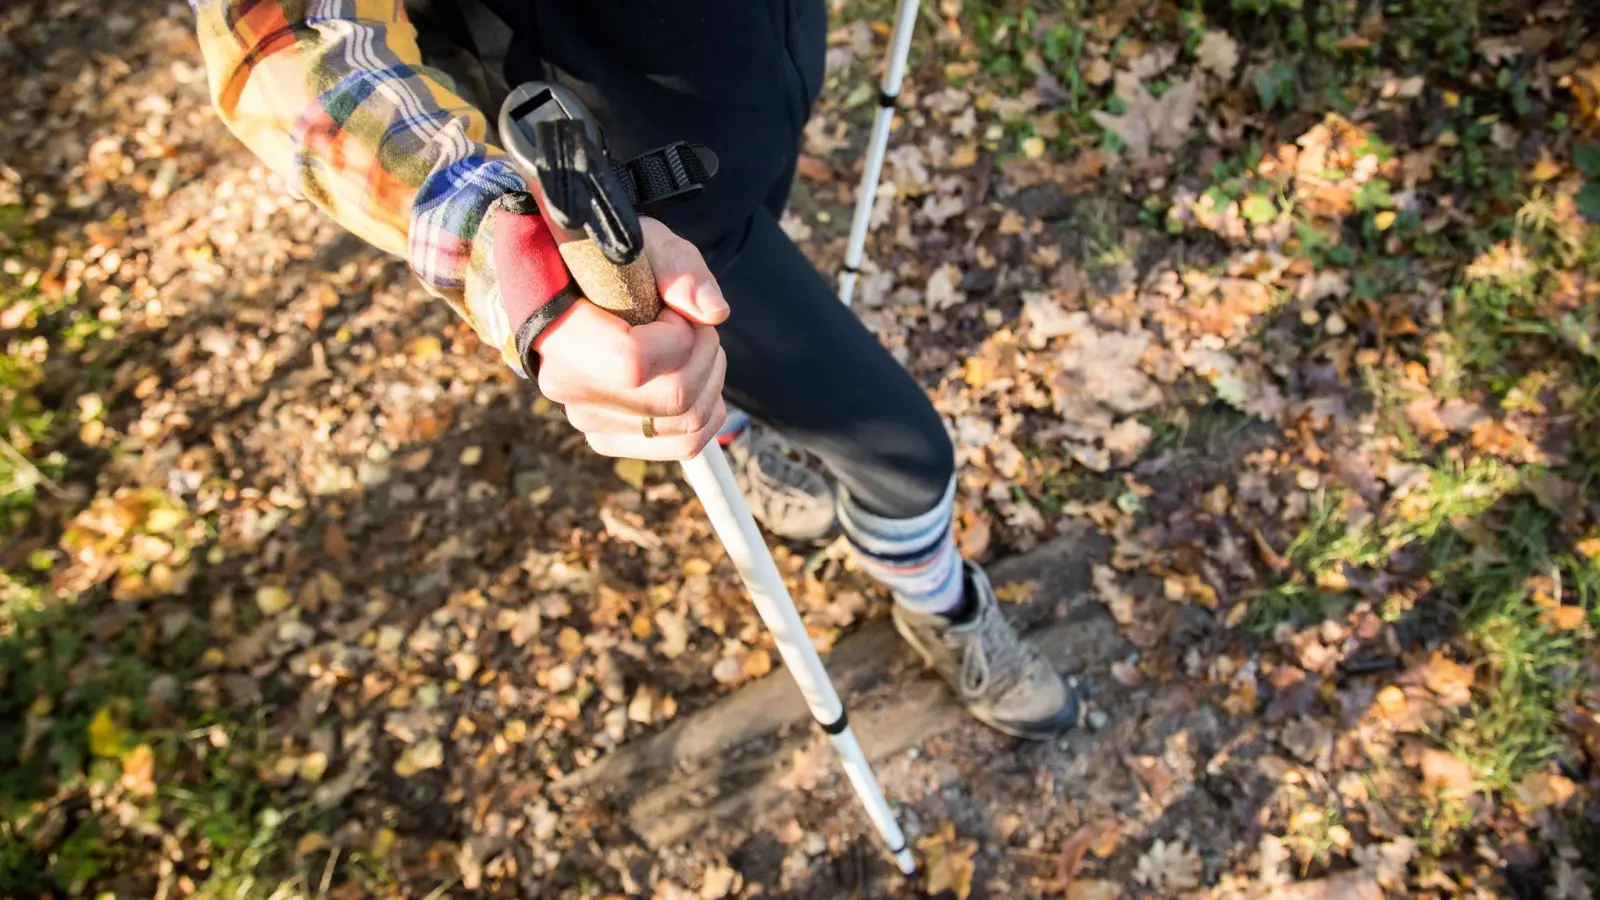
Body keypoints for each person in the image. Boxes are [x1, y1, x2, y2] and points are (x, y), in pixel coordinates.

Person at [187, 0, 1077, 739]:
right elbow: (292, 35)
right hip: (636, 189)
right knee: (906, 454)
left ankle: (736, 421)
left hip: (750, 93)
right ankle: (941, 607)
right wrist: (514, 255)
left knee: (754, 280)